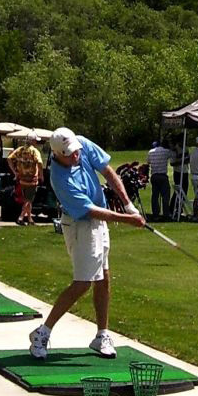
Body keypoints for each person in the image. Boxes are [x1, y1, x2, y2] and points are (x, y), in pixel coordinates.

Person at [29, 127, 145, 360]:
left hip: (98, 223)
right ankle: (42, 333)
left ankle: (101, 334)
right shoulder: (60, 178)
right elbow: (90, 211)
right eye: (70, 153)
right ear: (57, 154)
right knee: (82, 283)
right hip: (80, 225)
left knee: (103, 278)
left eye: (76, 150)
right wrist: (127, 219)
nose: (76, 155)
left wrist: (127, 203)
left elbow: (108, 171)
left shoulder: (80, 144)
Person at [7, 130, 44, 225]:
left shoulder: (20, 150)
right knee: (29, 199)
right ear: (33, 141)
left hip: (22, 179)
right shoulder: (34, 151)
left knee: (26, 199)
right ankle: (21, 217)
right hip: (32, 179)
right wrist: (41, 175)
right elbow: (39, 163)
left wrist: (15, 172)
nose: (36, 142)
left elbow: (9, 158)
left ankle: (30, 219)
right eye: (36, 140)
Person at [146, 140, 173, 220]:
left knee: (155, 196)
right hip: (162, 175)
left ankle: (156, 214)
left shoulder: (150, 152)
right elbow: (172, 155)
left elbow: (148, 162)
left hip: (154, 175)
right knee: (165, 196)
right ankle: (166, 214)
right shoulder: (166, 151)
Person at [169, 135, 190, 215]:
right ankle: (172, 208)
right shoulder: (175, 149)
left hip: (185, 171)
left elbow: (188, 159)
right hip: (178, 172)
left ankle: (180, 208)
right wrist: (182, 161)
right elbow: (172, 163)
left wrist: (185, 160)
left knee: (185, 191)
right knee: (178, 191)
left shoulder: (186, 148)